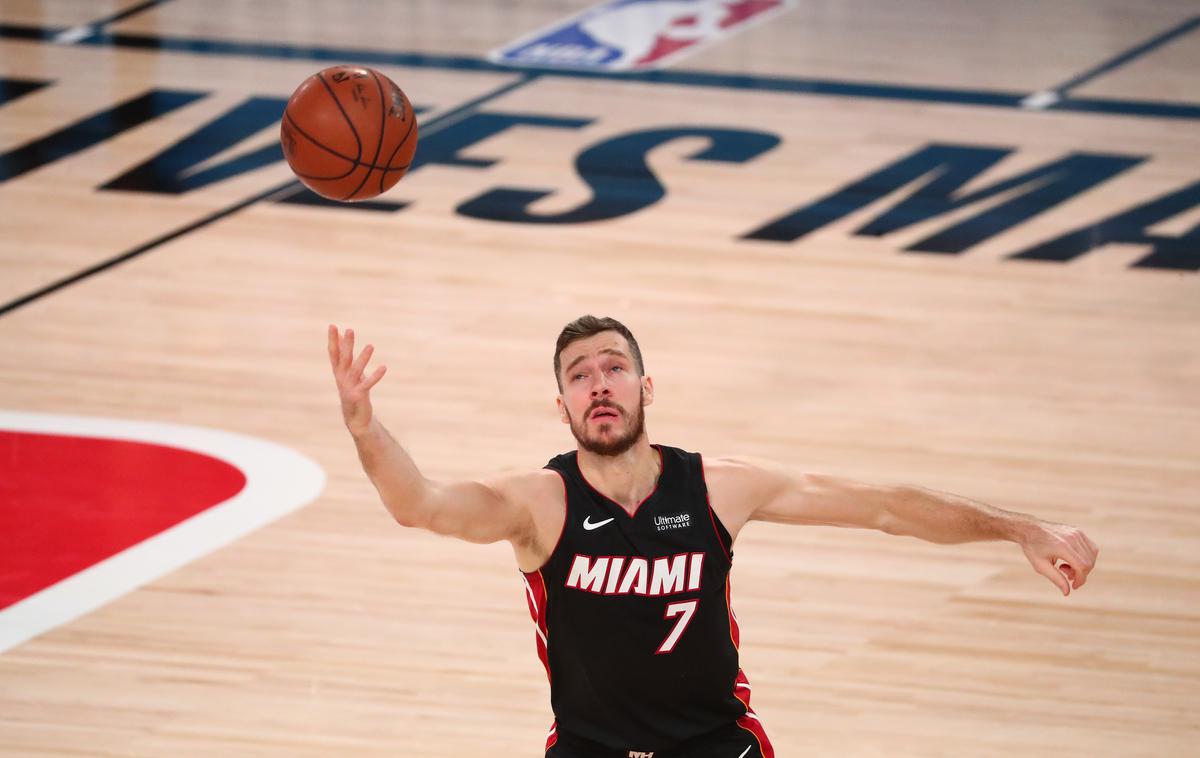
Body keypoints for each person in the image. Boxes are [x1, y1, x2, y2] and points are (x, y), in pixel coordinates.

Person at [327, 315, 1099, 758]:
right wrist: (365, 427)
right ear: (560, 406)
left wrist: (1018, 528)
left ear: (645, 388)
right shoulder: (541, 503)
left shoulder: (718, 487)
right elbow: (419, 505)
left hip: (715, 746)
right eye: (578, 375)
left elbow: (884, 507)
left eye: (614, 367)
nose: (598, 382)